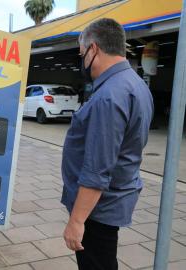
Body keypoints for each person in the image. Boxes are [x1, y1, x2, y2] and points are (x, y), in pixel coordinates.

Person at [61, 18, 154, 270]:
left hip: (97, 209)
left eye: (82, 54)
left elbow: (98, 169)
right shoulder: (136, 85)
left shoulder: (109, 95)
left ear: (93, 49)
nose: (82, 61)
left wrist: (77, 221)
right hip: (113, 199)